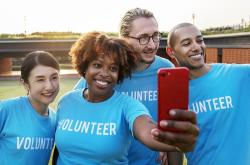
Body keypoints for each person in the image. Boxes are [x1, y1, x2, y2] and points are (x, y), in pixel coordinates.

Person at [74, 8, 198, 165]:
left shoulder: (166, 70)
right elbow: (75, 112)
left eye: (155, 36)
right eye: (143, 38)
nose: (152, 45)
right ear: (123, 39)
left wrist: (167, 147)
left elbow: (174, 127)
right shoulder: (107, 72)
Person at [166, 22, 250, 165]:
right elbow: (175, 144)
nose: (197, 47)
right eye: (187, 43)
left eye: (200, 40)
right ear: (171, 51)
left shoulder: (240, 75)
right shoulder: (173, 92)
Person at [0, 51, 60, 164]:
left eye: (54, 77)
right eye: (40, 79)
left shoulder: (56, 120)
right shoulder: (5, 110)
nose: (50, 86)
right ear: (26, 84)